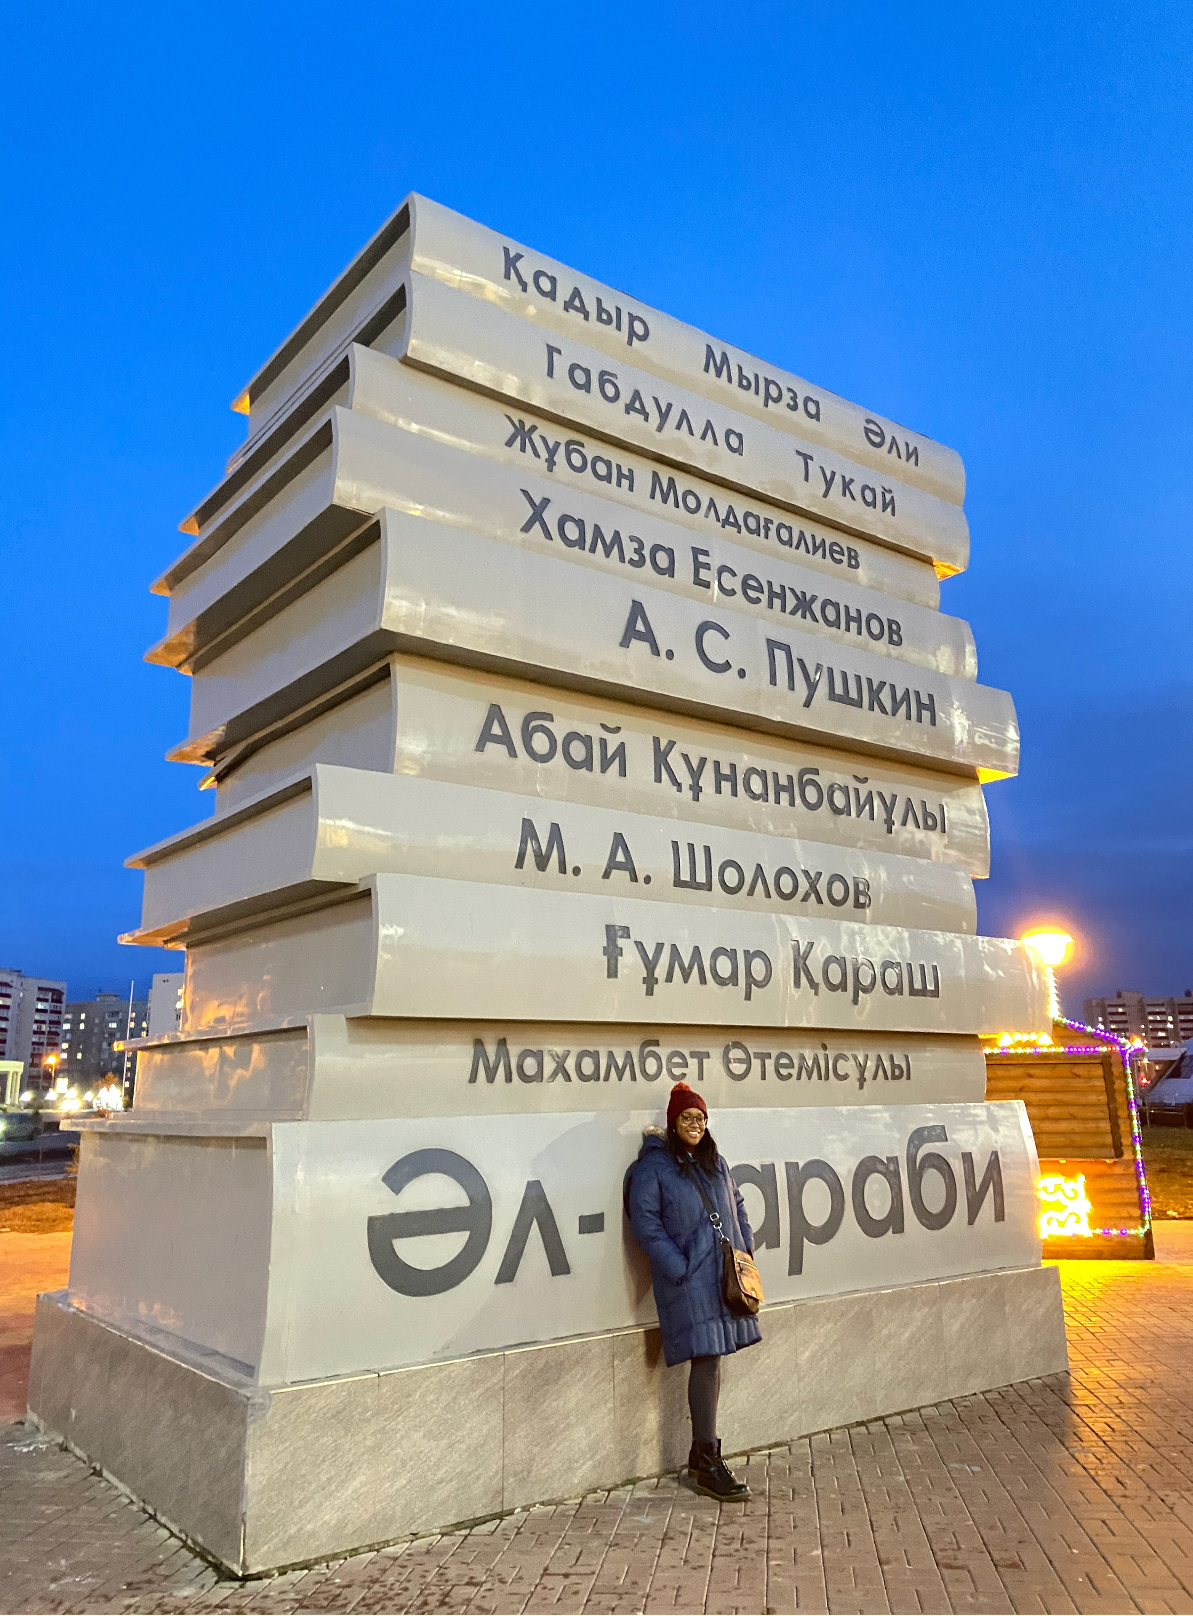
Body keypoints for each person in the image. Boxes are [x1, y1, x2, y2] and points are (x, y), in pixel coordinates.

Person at [626, 1081, 760, 1501]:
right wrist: (678, 1266)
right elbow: (646, 1224)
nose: (695, 1125)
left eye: (701, 1118)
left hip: (721, 1277)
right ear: (673, 1122)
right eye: (687, 1118)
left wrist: (745, 1245)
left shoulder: (713, 1161)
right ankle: (706, 1459)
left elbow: (736, 1203)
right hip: (688, 1282)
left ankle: (703, 1456)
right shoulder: (653, 1168)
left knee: (713, 1359)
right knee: (705, 1360)